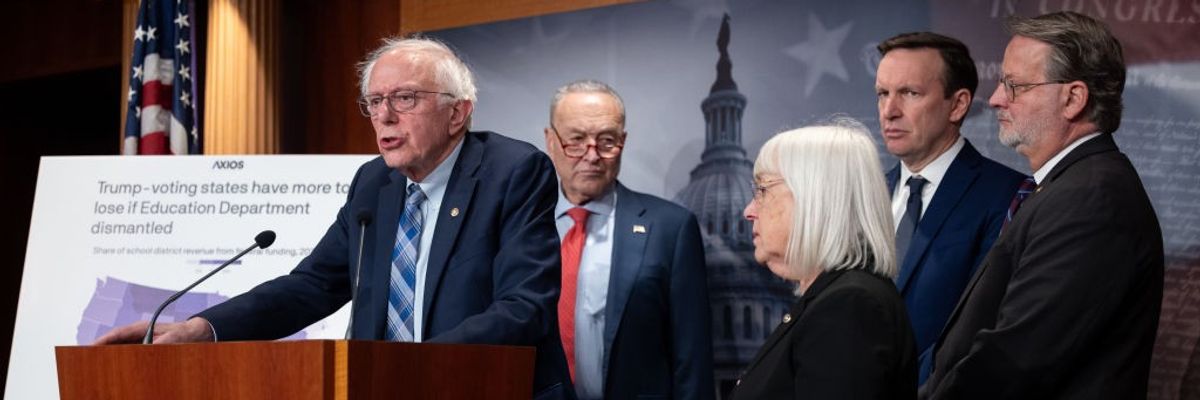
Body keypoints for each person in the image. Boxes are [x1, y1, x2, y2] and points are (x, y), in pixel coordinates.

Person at [96, 36, 573, 399]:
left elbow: (522, 307)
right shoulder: (374, 183)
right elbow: (312, 285)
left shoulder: (512, 171)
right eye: (374, 102)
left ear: (457, 113)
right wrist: (201, 329)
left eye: (404, 99)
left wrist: (411, 369)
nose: (384, 116)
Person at [920, 12, 1164, 399]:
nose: (997, 98)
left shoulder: (1091, 200)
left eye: (1015, 86)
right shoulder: (1067, 186)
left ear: (1073, 98)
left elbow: (1016, 360)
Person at [544, 80, 714, 400]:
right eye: (576, 140)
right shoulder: (522, 226)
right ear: (551, 141)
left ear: (623, 141)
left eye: (606, 141)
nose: (592, 155)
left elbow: (692, 357)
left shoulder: (670, 229)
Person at [874, 32, 1027, 384]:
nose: (890, 111)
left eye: (910, 93)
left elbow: (984, 329)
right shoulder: (865, 195)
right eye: (883, 94)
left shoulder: (1009, 196)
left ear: (958, 105)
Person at [730, 118, 917, 399]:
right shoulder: (834, 298)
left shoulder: (849, 307)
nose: (748, 211)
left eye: (762, 191)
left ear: (813, 197)